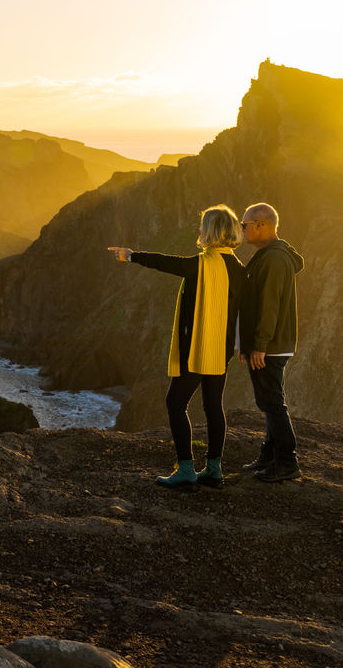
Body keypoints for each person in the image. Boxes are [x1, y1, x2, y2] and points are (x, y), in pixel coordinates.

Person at [108, 205, 245, 490]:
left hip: (195, 349)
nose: (199, 231)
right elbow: (245, 312)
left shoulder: (201, 264)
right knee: (213, 407)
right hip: (220, 350)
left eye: (202, 227)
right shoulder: (238, 270)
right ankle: (214, 469)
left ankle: (185, 469)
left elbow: (165, 262)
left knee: (175, 403)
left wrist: (131, 255)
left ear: (211, 231)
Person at [237, 202, 305, 482]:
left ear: (262, 225)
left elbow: (269, 305)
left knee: (272, 402)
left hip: (271, 346)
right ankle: (269, 456)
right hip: (270, 344)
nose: (242, 230)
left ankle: (287, 462)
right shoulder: (270, 255)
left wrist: (260, 344)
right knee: (268, 401)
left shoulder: (274, 259)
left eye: (245, 225)